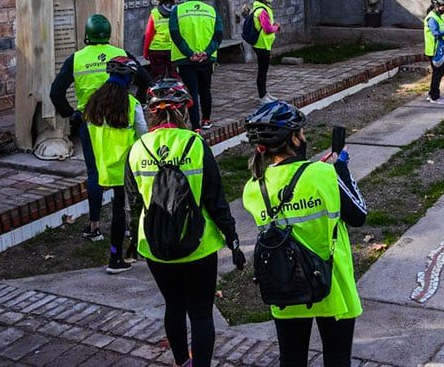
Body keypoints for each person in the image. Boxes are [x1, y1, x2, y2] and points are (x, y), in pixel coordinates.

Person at [125, 78, 244, 367]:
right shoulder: (196, 144)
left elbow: (134, 202)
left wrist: (131, 240)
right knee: (201, 313)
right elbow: (216, 200)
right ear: (183, 111)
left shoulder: (137, 148)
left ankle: (181, 362)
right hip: (198, 244)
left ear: (152, 113)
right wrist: (233, 238)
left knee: (173, 307)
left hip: (154, 243)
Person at [242, 101, 366, 367]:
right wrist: (341, 168)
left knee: (292, 358)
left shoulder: (253, 188)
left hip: (284, 282)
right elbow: (359, 215)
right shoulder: (323, 173)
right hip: (333, 284)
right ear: (295, 138)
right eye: (302, 132)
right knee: (337, 358)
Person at [50, 13, 151, 242]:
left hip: (91, 122)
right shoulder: (121, 54)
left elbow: (56, 92)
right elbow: (146, 79)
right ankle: (127, 223)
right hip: (121, 119)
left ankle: (94, 226)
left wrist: (72, 115)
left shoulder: (76, 59)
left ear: (87, 35)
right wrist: (139, 101)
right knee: (124, 171)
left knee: (94, 173)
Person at [84, 57, 148, 273]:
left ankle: (116, 254)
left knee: (117, 209)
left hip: (103, 165)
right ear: (129, 79)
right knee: (130, 209)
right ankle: (118, 257)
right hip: (127, 167)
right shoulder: (131, 105)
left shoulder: (93, 103)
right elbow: (144, 136)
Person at [168, 0, 223, 131]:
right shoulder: (211, 10)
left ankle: (196, 126)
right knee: (205, 90)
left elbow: (175, 34)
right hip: (207, 59)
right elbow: (218, 35)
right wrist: (207, 52)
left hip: (186, 60)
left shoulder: (177, 11)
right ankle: (206, 119)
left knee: (191, 92)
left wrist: (189, 53)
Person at [250, 0, 281, 103]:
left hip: (263, 43)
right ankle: (262, 96)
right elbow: (268, 29)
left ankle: (265, 93)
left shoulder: (261, 7)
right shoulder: (262, 10)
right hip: (262, 44)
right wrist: (277, 27)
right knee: (262, 71)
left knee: (264, 70)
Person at [143, 0, 179, 80]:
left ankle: (159, 94)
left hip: (156, 49)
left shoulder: (155, 12)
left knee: (157, 78)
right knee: (175, 76)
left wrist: (146, 51)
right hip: (174, 49)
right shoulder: (178, 11)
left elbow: (149, 34)